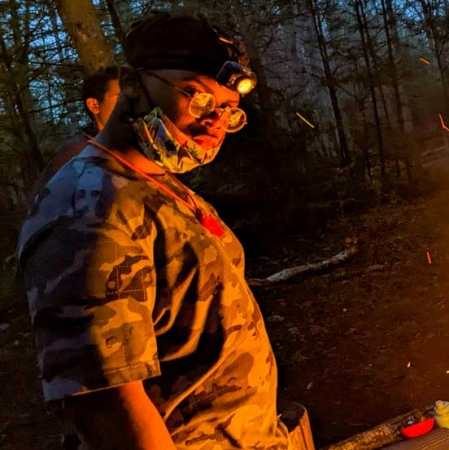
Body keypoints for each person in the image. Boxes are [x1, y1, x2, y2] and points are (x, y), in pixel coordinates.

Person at [17, 12, 289, 450]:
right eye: (197, 98)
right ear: (129, 82)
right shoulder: (88, 208)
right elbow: (105, 405)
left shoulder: (155, 184)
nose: (214, 121)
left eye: (228, 110)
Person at [38, 66, 120, 187]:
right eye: (120, 97)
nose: (129, 103)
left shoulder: (148, 145)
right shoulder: (75, 154)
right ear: (94, 105)